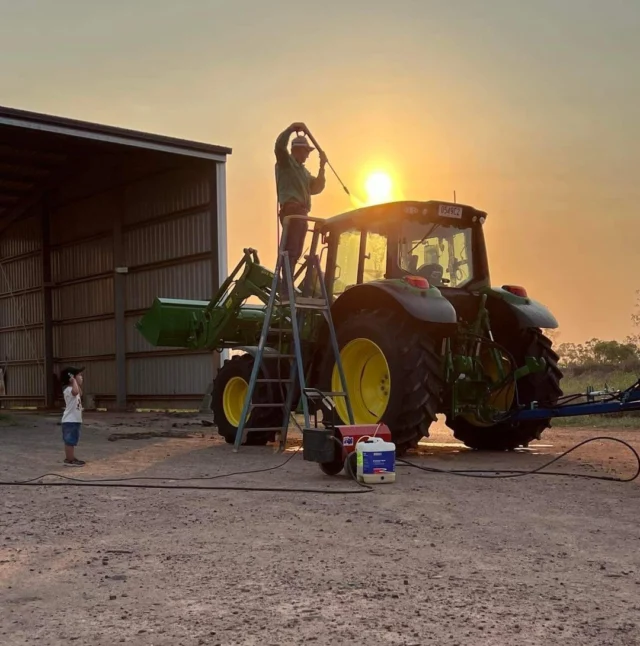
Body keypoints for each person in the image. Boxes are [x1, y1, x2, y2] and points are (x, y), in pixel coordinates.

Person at [274, 122, 327, 292]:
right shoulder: (286, 163)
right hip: (292, 211)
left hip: (302, 214)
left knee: (296, 250)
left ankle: (288, 283)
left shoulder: (304, 173)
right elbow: (279, 147)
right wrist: (290, 129)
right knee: (290, 249)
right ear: (298, 150)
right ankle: (285, 284)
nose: (307, 155)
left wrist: (322, 167)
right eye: (306, 151)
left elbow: (317, 187)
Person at [60, 366, 86, 466]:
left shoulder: (73, 388)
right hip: (70, 420)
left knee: (73, 439)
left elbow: (80, 392)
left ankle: (71, 457)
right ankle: (69, 459)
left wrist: (76, 382)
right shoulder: (68, 390)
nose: (81, 377)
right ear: (72, 378)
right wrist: (74, 381)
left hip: (75, 420)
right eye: (79, 375)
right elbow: (75, 392)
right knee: (70, 440)